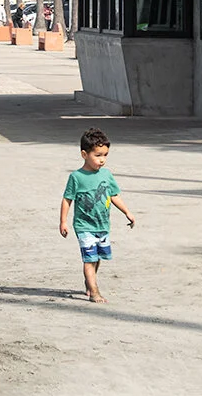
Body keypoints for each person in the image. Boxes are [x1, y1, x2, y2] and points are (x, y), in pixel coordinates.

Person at [58, 127, 136, 303]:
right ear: (84, 154)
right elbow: (67, 199)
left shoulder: (106, 175)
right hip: (84, 226)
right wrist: (63, 221)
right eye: (98, 155)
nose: (102, 160)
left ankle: (89, 280)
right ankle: (94, 291)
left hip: (102, 225)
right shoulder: (76, 177)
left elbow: (114, 195)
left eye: (105, 155)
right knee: (89, 258)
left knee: (97, 257)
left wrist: (127, 212)